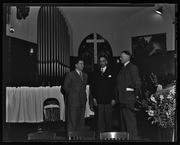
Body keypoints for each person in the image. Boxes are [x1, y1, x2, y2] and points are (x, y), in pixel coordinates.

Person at [116, 50, 141, 140]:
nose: (120, 58)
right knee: (124, 127)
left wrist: (133, 99)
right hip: (122, 101)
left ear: (127, 57)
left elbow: (137, 85)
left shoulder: (132, 68)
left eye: (121, 57)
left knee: (130, 127)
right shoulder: (123, 68)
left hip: (129, 101)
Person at [91, 55, 116, 134]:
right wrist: (94, 98)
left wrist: (113, 98)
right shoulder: (95, 72)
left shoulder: (112, 71)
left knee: (108, 120)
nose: (101, 63)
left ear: (106, 62)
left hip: (109, 100)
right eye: (100, 61)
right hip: (99, 100)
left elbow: (114, 86)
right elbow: (93, 86)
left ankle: (108, 136)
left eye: (103, 61)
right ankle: (100, 136)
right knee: (100, 121)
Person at [63, 58, 88, 134]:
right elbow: (65, 87)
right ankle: (71, 137)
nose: (82, 65)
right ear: (76, 65)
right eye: (81, 64)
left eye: (83, 64)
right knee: (72, 121)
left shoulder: (85, 75)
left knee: (81, 122)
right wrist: (72, 95)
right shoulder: (70, 74)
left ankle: (79, 136)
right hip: (73, 102)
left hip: (82, 101)